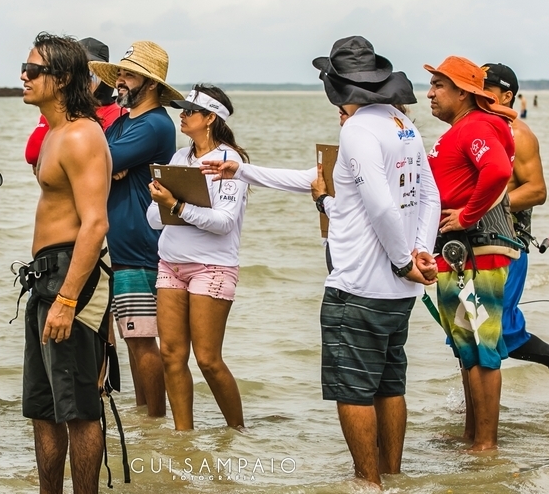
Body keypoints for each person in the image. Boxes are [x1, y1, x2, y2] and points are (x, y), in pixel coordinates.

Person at [204, 37, 440, 487]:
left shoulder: (357, 130)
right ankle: (391, 477)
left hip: (358, 286)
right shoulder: (402, 124)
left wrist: (401, 261)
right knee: (390, 385)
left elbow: (380, 206)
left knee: (353, 390)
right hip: (398, 292)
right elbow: (426, 195)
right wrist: (419, 253)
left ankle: (367, 483)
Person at [20, 32, 113, 494]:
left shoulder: (81, 134)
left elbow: (95, 224)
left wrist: (68, 298)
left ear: (61, 78)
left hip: (72, 277)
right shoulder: (54, 134)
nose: (24, 76)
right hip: (44, 276)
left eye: (33, 70)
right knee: (43, 408)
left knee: (79, 409)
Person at [425, 55, 521, 452]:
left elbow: (497, 171)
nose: (430, 93)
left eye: (439, 86)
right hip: (461, 253)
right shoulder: (464, 127)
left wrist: (466, 215)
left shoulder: (477, 125)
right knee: (467, 348)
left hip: (477, 252)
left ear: (463, 92)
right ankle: (472, 436)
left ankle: (486, 444)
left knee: (482, 350)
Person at [144, 85, 248, 431]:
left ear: (210, 118)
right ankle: (182, 437)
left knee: (207, 359)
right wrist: (164, 203)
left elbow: (224, 222)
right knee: (171, 355)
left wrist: (176, 205)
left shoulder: (231, 162)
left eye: (190, 110)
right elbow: (154, 219)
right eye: (182, 109)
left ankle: (238, 432)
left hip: (212, 267)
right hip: (170, 264)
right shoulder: (179, 158)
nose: (183, 115)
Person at [88, 42, 182, 418]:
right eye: (120, 74)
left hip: (142, 246)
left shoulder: (155, 123)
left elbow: (99, 161)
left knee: (142, 339)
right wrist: (109, 164)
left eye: (128, 75)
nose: (120, 81)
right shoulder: (124, 122)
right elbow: (101, 159)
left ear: (151, 83)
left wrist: (111, 165)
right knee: (133, 337)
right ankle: (147, 421)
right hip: (124, 246)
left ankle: (156, 421)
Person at [481, 64, 549, 408]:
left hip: (508, 244)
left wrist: (483, 207)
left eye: (486, 89)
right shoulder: (476, 130)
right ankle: (471, 415)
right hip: (473, 244)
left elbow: (537, 190)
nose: (478, 94)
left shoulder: (518, 134)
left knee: (501, 331)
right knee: (470, 330)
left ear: (506, 96)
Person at [24, 38, 125, 167]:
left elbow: (107, 161)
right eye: (78, 72)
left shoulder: (115, 114)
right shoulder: (59, 109)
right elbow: (32, 155)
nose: (84, 79)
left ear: (103, 79)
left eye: (90, 74)